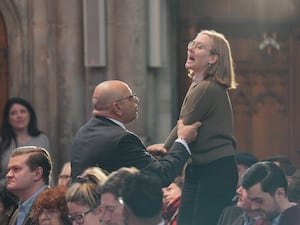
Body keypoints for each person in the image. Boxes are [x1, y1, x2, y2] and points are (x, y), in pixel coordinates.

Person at [148, 29, 238, 225]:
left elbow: (185, 123)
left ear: (213, 58)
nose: (192, 48)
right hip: (200, 166)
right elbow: (183, 123)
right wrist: (166, 147)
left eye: (200, 46)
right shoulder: (199, 84)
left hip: (215, 168)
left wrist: (166, 149)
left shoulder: (208, 87)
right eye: (192, 44)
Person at [71, 80, 201, 187]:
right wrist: (182, 141)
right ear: (117, 107)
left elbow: (113, 161)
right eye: (131, 97)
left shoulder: (83, 132)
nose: (137, 100)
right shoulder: (123, 140)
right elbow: (162, 176)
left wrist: (144, 155)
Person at [0, 97, 50, 179]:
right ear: (8, 119)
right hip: (7, 188)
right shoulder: (2, 141)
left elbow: (48, 170)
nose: (19, 116)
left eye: (22, 112)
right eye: (13, 113)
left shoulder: (42, 139)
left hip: (38, 189)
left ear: (30, 115)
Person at [6, 146, 52, 225]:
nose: (8, 175)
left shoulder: (52, 209)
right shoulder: (17, 212)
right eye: (9, 170)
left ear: (37, 173)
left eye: (16, 169)